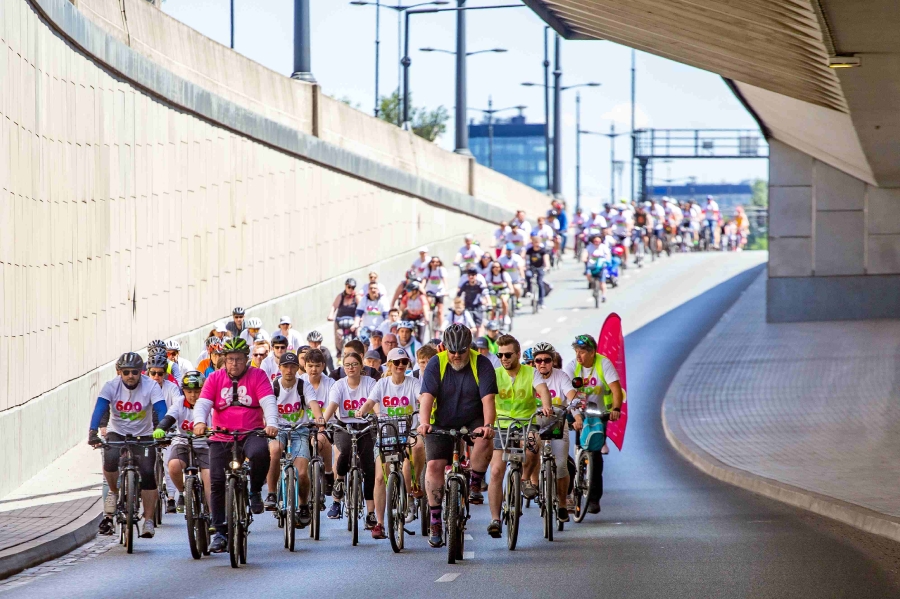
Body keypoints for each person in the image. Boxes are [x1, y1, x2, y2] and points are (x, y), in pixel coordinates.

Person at [192, 338, 278, 554]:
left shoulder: (258, 375)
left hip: (251, 432)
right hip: (221, 435)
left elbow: (268, 401)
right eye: (230, 359)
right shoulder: (214, 378)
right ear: (225, 360)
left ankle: (255, 490)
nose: (234, 364)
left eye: (239, 359)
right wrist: (200, 422)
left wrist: (272, 423)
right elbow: (203, 403)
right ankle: (220, 532)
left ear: (246, 359)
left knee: (260, 453)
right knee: (216, 481)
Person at [416, 324, 498, 547]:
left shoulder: (482, 363)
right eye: (452, 351)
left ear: (469, 347)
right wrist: (424, 423)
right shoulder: (437, 362)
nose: (456, 355)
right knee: (434, 465)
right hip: (441, 420)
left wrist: (488, 425)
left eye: (461, 351)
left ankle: (475, 483)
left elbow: (488, 400)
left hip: (472, 418)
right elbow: (427, 397)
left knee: (485, 437)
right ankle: (435, 521)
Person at [88, 353, 168, 538]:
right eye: (126, 372)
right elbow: (100, 408)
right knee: (110, 460)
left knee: (148, 474)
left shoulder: (151, 386)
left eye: (134, 372)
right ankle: (114, 492)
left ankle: (148, 521)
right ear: (119, 372)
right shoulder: (111, 386)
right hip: (117, 432)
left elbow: (161, 409)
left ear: (141, 372)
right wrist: (92, 432)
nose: (130, 375)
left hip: (144, 434)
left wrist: (163, 429)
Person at [487, 335, 552, 537]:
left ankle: (523, 480)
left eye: (508, 355)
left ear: (517, 354)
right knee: (496, 471)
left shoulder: (531, 372)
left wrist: (546, 406)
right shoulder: (494, 374)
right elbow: (485, 398)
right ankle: (495, 519)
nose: (504, 359)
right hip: (500, 425)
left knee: (533, 447)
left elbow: (543, 390)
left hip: (526, 423)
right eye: (500, 355)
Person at [358, 347, 424, 538]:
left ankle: (412, 489)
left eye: (404, 362)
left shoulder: (413, 383)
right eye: (396, 362)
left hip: (409, 431)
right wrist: (362, 411)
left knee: (418, 447)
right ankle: (379, 523)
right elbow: (370, 402)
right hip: (387, 433)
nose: (400, 365)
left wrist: (425, 410)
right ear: (389, 364)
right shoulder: (382, 384)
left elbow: (421, 398)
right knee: (379, 478)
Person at [563, 335, 623, 514]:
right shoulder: (572, 367)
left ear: (592, 353)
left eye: (582, 352)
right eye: (576, 352)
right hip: (577, 411)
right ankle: (571, 488)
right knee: (567, 446)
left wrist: (616, 409)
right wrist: (573, 412)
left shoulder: (603, 364)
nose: (578, 356)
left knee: (595, 454)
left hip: (598, 414)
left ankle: (594, 498)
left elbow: (616, 390)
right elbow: (567, 391)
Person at [263, 351, 322, 525]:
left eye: (292, 366)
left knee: (302, 473)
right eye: (285, 366)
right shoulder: (273, 386)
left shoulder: (304, 386)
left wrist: (319, 418)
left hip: (300, 430)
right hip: (277, 429)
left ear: (297, 368)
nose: (289, 370)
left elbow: (313, 404)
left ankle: (303, 505)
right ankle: (272, 494)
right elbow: (264, 407)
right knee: (275, 450)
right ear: (279, 368)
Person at [322, 352, 378, 526]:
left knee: (369, 466)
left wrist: (381, 419)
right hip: (344, 426)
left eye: (354, 364)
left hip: (365, 427)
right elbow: (332, 405)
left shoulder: (370, 383)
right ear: (343, 367)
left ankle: (370, 513)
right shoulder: (339, 385)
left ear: (361, 366)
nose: (351, 368)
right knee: (344, 451)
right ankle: (338, 491)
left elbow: (375, 404)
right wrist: (323, 422)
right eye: (347, 365)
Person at [531, 342, 583, 522]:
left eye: (547, 360)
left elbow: (572, 397)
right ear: (534, 362)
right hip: (535, 424)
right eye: (538, 360)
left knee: (561, 465)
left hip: (557, 424)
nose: (542, 364)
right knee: (530, 453)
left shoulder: (561, 376)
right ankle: (533, 483)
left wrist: (577, 416)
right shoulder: (529, 376)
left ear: (553, 361)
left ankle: (562, 503)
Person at [152, 370, 212, 514]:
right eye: (189, 391)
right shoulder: (179, 403)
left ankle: (213, 514)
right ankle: (183, 493)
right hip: (183, 442)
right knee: (173, 466)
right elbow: (170, 417)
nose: (193, 395)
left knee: (209, 477)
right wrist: (161, 428)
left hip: (205, 445)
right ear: (183, 391)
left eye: (197, 391)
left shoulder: (209, 403)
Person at [146, 353, 184, 513]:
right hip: (147, 430)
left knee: (169, 462)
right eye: (153, 373)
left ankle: (172, 497)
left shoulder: (171, 388)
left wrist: (170, 425)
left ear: (165, 374)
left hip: (168, 430)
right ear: (148, 373)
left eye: (160, 373)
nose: (156, 377)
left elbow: (178, 405)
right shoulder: (143, 388)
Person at [300, 349, 335, 496]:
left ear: (323, 366)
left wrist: (322, 422)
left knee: (320, 439)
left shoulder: (330, 383)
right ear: (304, 366)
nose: (313, 369)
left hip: (325, 426)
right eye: (310, 365)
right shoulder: (299, 382)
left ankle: (328, 472)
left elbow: (333, 404)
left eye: (317, 365)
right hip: (303, 426)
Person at [328, 278, 359, 352]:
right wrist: (331, 315)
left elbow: (361, 309)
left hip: (352, 321)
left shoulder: (357, 297)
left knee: (357, 335)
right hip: (340, 321)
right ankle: (339, 353)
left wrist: (357, 321)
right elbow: (334, 306)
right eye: (349, 287)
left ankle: (356, 351)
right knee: (338, 335)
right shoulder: (340, 296)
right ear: (345, 286)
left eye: (353, 287)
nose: (350, 289)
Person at [456, 267, 488, 335]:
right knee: (468, 325)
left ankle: (479, 340)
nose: (471, 277)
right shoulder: (465, 284)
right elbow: (458, 295)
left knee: (479, 325)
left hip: (478, 307)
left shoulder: (479, 284)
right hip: (467, 307)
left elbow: (485, 293)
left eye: (473, 275)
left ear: (476, 276)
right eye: (469, 275)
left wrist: (487, 302)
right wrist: (455, 305)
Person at [583, 232, 611, 303]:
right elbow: (585, 253)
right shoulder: (590, 247)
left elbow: (608, 255)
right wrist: (584, 258)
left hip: (601, 267)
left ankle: (603, 296)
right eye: (595, 241)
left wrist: (607, 260)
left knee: (602, 282)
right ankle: (592, 284)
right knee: (588, 274)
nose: (597, 243)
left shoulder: (603, 247)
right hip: (591, 266)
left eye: (598, 241)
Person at [423, 256, 449, 331]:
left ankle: (442, 328)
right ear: (430, 263)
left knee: (440, 311)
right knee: (429, 301)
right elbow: (424, 280)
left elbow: (445, 280)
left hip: (440, 291)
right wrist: (422, 288)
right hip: (430, 290)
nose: (435, 263)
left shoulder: (441, 269)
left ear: (439, 263)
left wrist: (446, 290)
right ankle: (430, 313)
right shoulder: (428, 270)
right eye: (433, 262)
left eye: (437, 262)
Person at [525, 235, 550, 309]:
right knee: (528, 275)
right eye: (535, 242)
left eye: (538, 242)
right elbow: (526, 259)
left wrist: (547, 266)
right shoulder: (529, 250)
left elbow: (546, 259)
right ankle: (529, 291)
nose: (536, 244)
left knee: (540, 283)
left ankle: (541, 302)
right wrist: (525, 266)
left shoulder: (543, 251)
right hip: (531, 268)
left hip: (540, 268)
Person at [498, 243, 526, 307]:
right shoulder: (501, 258)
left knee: (517, 288)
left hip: (515, 279)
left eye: (511, 250)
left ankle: (518, 299)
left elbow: (520, 268)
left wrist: (522, 277)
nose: (509, 252)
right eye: (508, 250)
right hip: (505, 280)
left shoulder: (517, 258)